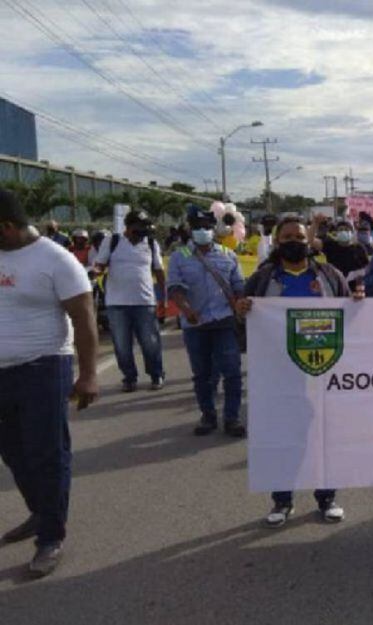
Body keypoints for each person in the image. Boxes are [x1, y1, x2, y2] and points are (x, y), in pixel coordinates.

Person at [236, 215, 360, 527]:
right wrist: (242, 313)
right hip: (279, 373)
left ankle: (327, 496)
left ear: (310, 242)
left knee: (324, 436)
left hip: (324, 372)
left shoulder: (330, 276)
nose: (294, 242)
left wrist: (357, 302)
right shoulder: (264, 279)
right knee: (284, 436)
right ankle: (282, 500)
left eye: (300, 238)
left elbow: (352, 320)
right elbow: (244, 327)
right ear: (277, 243)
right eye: (287, 237)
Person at [0, 189, 98, 579]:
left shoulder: (56, 260)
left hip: (43, 367)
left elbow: (86, 319)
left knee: (46, 453)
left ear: (6, 227)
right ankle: (40, 512)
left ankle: (50, 537)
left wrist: (89, 374)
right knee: (13, 453)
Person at [167, 205, 247, 438]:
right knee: (203, 375)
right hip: (195, 325)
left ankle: (232, 418)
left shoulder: (227, 254)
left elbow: (238, 286)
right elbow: (174, 287)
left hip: (223, 321)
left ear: (213, 229)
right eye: (198, 227)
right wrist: (186, 309)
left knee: (232, 372)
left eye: (206, 227)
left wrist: (241, 302)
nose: (203, 231)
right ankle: (208, 416)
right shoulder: (179, 256)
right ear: (190, 230)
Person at [93, 210, 166, 392]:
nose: (143, 233)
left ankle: (156, 374)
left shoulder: (150, 243)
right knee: (122, 345)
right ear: (129, 227)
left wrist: (163, 298)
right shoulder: (112, 241)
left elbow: (159, 271)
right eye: (140, 229)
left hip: (145, 302)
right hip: (117, 304)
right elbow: (100, 265)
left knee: (150, 343)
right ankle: (129, 377)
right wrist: (95, 271)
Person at [316, 219, 370, 290]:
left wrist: (357, 276)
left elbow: (367, 267)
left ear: (352, 232)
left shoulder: (359, 248)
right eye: (341, 230)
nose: (343, 232)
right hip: (334, 286)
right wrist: (315, 223)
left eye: (346, 230)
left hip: (354, 287)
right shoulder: (330, 245)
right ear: (336, 232)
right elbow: (311, 241)